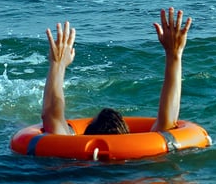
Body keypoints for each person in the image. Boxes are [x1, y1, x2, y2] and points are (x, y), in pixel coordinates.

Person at [41, 7, 192, 135]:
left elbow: (51, 116)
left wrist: (57, 64)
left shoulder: (71, 155)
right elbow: (168, 121)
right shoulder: (140, 159)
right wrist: (174, 55)